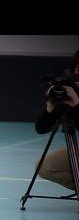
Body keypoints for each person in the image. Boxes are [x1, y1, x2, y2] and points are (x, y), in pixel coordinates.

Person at [34, 50, 79, 191]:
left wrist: (78, 105)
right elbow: (41, 129)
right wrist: (50, 106)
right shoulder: (70, 91)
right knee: (44, 166)